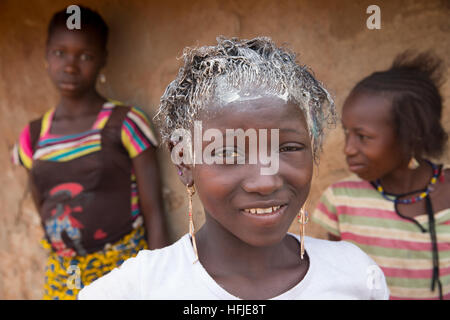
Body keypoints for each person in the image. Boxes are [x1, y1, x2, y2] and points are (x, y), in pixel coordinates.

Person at [78, 36, 388, 300]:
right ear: (183, 161)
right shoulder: (135, 290)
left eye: (289, 148)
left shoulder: (358, 276)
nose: (265, 181)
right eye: (228, 153)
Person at [11, 6, 169, 299]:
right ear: (46, 55)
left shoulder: (125, 123)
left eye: (85, 56)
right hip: (64, 276)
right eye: (60, 53)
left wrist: (159, 281)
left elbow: (154, 212)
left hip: (122, 268)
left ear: (102, 60)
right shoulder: (32, 137)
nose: (70, 66)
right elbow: (43, 203)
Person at [312, 51, 449, 300]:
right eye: (347, 133)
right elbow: (336, 281)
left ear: (411, 135)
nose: (348, 149)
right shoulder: (342, 201)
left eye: (363, 137)